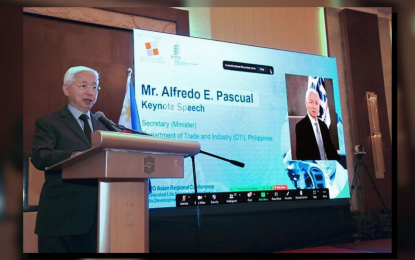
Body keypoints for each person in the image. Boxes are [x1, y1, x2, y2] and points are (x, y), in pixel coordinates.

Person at [31, 66, 110, 253]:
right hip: (61, 217)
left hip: (97, 219)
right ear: (66, 89)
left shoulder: (104, 126)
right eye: (83, 85)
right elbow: (40, 156)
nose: (90, 92)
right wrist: (73, 156)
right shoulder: (49, 122)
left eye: (95, 87)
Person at [295, 88, 340, 161]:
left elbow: (331, 151)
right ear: (306, 103)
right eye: (311, 102)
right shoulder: (301, 126)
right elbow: (300, 155)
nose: (314, 106)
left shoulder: (324, 126)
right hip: (314, 168)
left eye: (316, 103)